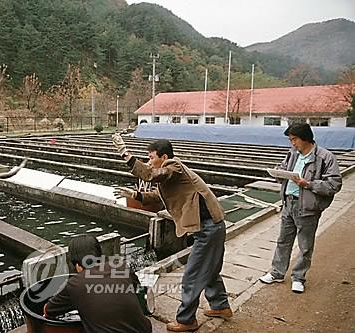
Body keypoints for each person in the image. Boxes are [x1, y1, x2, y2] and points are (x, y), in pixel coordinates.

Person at [112, 135, 232, 332]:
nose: (149, 162)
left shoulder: (173, 166)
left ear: (164, 157)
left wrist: (126, 155)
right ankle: (221, 307)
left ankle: (186, 320)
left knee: (191, 276)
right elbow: (155, 196)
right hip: (212, 226)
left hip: (208, 228)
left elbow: (151, 175)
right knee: (210, 271)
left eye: (151, 157)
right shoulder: (170, 178)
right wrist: (133, 195)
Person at [259, 123, 342, 293]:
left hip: (307, 207)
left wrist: (309, 184)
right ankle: (277, 272)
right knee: (283, 241)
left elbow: (334, 184)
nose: (292, 143)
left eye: (294, 139)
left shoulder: (325, 157)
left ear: (306, 138)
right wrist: (278, 173)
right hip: (289, 203)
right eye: (291, 140)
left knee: (305, 245)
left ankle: (298, 277)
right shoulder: (293, 154)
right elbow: (284, 168)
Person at [44, 235, 152, 333]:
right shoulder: (120, 266)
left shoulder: (75, 283)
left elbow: (48, 310)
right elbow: (138, 291)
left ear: (77, 265)